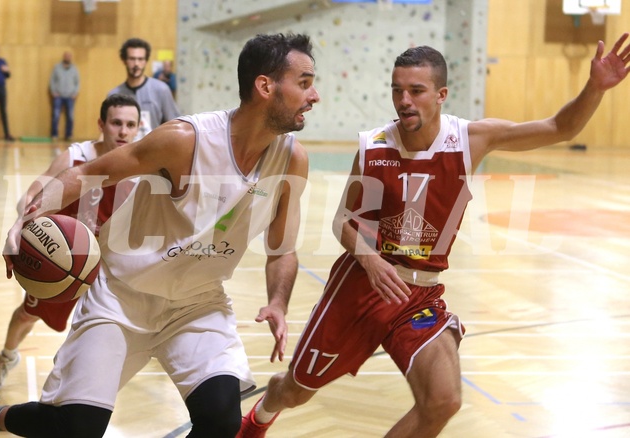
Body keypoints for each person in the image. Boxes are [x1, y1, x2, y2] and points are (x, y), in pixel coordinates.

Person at [238, 33, 630, 438]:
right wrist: (370, 260)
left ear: (440, 94)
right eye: (397, 90)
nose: (404, 99)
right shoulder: (372, 147)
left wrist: (595, 87)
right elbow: (343, 222)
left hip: (419, 295)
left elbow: (560, 127)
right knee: (296, 389)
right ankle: (260, 418)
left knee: (444, 400)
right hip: (360, 287)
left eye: (416, 90)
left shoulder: (470, 139)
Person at [0, 32, 320, 438]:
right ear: (265, 86)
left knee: (221, 420)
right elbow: (86, 173)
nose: (313, 95)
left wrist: (278, 302)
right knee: (77, 428)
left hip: (198, 304)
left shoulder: (292, 158)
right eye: (304, 82)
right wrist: (29, 215)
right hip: (121, 297)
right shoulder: (184, 140)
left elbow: (282, 249)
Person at [0, 93, 141, 394]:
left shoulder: (143, 166)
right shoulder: (75, 157)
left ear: (138, 127)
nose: (123, 131)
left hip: (109, 266)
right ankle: (6, 357)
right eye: (116, 123)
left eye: (130, 125)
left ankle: (79, 382)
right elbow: (30, 196)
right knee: (29, 313)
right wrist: (25, 225)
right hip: (63, 259)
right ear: (101, 124)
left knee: (103, 326)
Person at [108, 37, 180, 140]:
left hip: (154, 151)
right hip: (124, 152)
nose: (136, 64)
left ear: (146, 61)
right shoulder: (113, 95)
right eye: (132, 59)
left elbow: (175, 125)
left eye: (140, 59)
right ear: (124, 61)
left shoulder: (161, 90)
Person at [50, 51, 80, 142]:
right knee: (56, 115)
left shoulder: (74, 69)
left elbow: (77, 82)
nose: (67, 57)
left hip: (70, 96)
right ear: (63, 57)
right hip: (58, 96)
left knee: (70, 116)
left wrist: (75, 93)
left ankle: (69, 135)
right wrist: (54, 92)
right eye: (66, 56)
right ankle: (54, 134)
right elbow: (52, 80)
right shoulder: (57, 67)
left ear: (70, 57)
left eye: (69, 56)